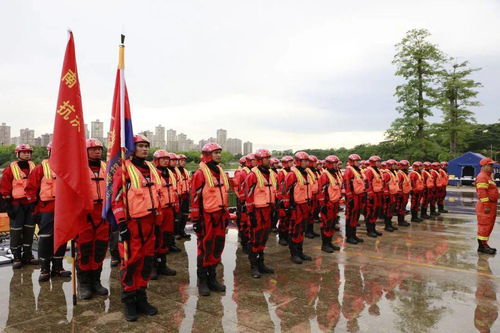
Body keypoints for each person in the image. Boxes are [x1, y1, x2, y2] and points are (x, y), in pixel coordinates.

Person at [111, 134, 159, 321]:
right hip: (132, 224)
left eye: (147, 146)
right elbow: (116, 200)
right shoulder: (123, 171)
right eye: (141, 145)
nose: (145, 149)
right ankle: (129, 302)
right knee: (131, 264)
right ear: (132, 148)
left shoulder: (151, 169)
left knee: (146, 262)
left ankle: (142, 298)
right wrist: (121, 224)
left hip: (150, 222)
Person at [25, 143, 71, 282]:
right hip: (46, 209)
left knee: (62, 238)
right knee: (45, 239)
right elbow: (30, 189)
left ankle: (58, 267)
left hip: (63, 210)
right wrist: (35, 210)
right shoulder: (40, 169)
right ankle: (45, 269)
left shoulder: (67, 169)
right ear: (50, 152)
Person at [190, 142, 229, 296]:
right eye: (215, 152)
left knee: (217, 247)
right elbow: (194, 198)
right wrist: (196, 220)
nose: (218, 155)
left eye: (219, 152)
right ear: (207, 155)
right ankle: (202, 281)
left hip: (220, 215)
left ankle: (212, 278)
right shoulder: (200, 174)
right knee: (205, 248)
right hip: (206, 217)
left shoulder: (220, 171)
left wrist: (226, 217)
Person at [76, 138, 110, 299]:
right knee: (85, 249)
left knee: (100, 249)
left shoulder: (107, 167)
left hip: (102, 214)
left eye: (99, 149)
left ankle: (96, 281)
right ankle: (84, 284)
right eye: (94, 149)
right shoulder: (78, 168)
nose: (97, 151)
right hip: (84, 215)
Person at [0, 144, 38, 269]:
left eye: (28, 152)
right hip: (16, 205)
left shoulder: (35, 167)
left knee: (29, 230)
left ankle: (28, 255)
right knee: (16, 231)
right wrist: (8, 206)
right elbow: (4, 188)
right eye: (24, 152)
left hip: (31, 204)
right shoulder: (10, 169)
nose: (27, 154)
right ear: (18, 154)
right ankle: (17, 257)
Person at [243, 149, 276, 278]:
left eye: (269, 158)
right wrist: (250, 214)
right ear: (259, 161)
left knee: (264, 238)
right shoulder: (252, 175)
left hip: (267, 210)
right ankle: (254, 266)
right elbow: (248, 196)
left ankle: (261, 263)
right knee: (255, 239)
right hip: (257, 211)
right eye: (266, 158)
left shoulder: (270, 174)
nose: (269, 160)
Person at [282, 151, 314, 264]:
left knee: (301, 230)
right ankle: (294, 254)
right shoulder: (292, 175)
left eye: (307, 161)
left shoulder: (306, 173)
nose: (306, 163)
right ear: (298, 162)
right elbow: (284, 192)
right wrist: (288, 207)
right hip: (295, 207)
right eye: (304, 161)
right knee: (294, 231)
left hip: (304, 206)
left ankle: (300, 252)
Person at [151, 149, 177, 280]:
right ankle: (153, 267)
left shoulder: (170, 173)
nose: (166, 161)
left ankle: (163, 264)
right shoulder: (152, 174)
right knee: (156, 238)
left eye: (167, 158)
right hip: (158, 210)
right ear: (156, 161)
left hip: (169, 209)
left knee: (166, 237)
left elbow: (174, 190)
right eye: (163, 159)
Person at [317, 155, 342, 252]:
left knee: (331, 224)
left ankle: (329, 242)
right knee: (326, 224)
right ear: (329, 164)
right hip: (328, 204)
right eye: (334, 163)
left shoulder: (334, 175)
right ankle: (325, 245)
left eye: (336, 163)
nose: (336, 165)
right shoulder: (325, 175)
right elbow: (321, 191)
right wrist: (323, 205)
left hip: (334, 203)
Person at [475, 158, 498, 254]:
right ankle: (482, 247)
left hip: (491, 205)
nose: (493, 167)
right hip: (486, 206)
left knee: (488, 226)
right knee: (484, 226)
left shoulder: (487, 176)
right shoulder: (482, 177)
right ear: (484, 166)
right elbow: (482, 193)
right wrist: (486, 206)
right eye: (491, 165)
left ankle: (484, 244)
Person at [343, 154, 366, 244]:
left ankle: (354, 235)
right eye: (357, 161)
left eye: (359, 161)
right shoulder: (349, 171)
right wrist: (350, 197)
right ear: (352, 162)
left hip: (358, 196)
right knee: (350, 217)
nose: (359, 163)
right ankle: (349, 236)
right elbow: (347, 184)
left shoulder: (358, 171)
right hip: (352, 197)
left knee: (355, 217)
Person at [363, 156, 384, 237]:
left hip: (378, 194)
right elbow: (367, 183)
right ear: (373, 162)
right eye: (378, 161)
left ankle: (373, 229)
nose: (379, 163)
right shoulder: (369, 170)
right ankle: (370, 230)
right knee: (370, 212)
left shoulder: (377, 170)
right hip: (372, 195)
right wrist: (370, 194)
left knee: (375, 212)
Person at [165, 152, 182, 253]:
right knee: (164, 228)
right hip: (164, 204)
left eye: (176, 160)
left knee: (173, 223)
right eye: (173, 160)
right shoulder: (161, 172)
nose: (175, 162)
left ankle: (171, 243)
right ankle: (165, 246)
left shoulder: (173, 172)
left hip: (175, 199)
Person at [277, 156, 293, 246]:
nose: (292, 163)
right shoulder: (282, 173)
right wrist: (283, 201)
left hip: (290, 200)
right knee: (283, 220)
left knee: (289, 220)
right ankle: (282, 238)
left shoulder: (291, 172)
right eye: (290, 162)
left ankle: (287, 236)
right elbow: (280, 188)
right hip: (283, 200)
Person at [175, 154, 191, 240]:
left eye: (184, 160)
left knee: (185, 214)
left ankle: (182, 231)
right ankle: (176, 232)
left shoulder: (185, 171)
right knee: (178, 215)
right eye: (181, 160)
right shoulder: (174, 171)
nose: (183, 162)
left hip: (186, 195)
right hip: (179, 196)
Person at [305, 155, 321, 239]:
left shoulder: (315, 171)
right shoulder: (307, 171)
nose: (316, 164)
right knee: (309, 214)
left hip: (315, 195)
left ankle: (311, 230)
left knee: (312, 214)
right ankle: (307, 231)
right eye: (314, 162)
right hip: (310, 196)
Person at [381, 160, 399, 232]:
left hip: (393, 193)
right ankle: (387, 225)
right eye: (394, 165)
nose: (395, 166)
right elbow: (384, 185)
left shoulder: (393, 172)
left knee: (391, 210)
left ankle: (390, 224)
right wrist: (386, 195)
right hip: (389, 195)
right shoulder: (386, 174)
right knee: (388, 210)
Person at [396, 160, 411, 227]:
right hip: (402, 194)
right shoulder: (400, 174)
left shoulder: (404, 173)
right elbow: (399, 184)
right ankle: (400, 221)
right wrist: (400, 194)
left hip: (406, 193)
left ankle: (402, 220)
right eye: (407, 166)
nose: (408, 167)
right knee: (401, 208)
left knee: (403, 208)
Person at [269, 157, 280, 233]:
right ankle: (272, 226)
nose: (277, 165)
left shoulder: (276, 172)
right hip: (273, 195)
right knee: (273, 212)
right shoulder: (270, 172)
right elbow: (273, 184)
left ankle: (273, 225)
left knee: (276, 212)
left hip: (276, 194)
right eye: (275, 163)